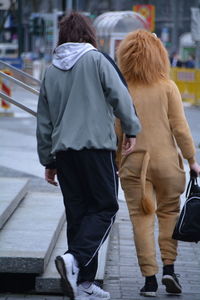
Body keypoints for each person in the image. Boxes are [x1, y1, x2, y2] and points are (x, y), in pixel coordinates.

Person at [36, 12, 141, 300]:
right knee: (106, 208)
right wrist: (131, 129)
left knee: (78, 215)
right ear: (89, 34)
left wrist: (48, 159)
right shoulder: (96, 59)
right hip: (96, 148)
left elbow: (44, 120)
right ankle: (75, 260)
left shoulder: (51, 70)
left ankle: (83, 284)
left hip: (65, 154)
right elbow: (120, 95)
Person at [116, 29, 200, 297]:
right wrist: (192, 160)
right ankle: (170, 269)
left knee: (141, 220)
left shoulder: (122, 88)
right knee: (168, 215)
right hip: (167, 165)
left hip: (133, 163)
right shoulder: (167, 86)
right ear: (159, 56)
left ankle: (149, 279)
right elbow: (180, 128)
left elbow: (116, 130)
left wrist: (117, 162)